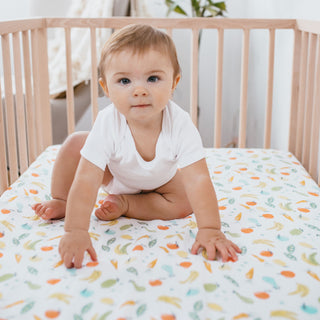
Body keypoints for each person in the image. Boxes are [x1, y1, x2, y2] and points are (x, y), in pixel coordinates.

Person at [32, 24, 241, 268]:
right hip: (113, 172)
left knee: (186, 201)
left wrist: (210, 229)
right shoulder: (108, 122)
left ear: (174, 83)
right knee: (75, 143)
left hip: (161, 180)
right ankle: (61, 199)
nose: (139, 90)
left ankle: (127, 204)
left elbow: (198, 180)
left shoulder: (180, 123)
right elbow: (88, 179)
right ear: (106, 89)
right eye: (124, 80)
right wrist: (75, 230)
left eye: (153, 78)